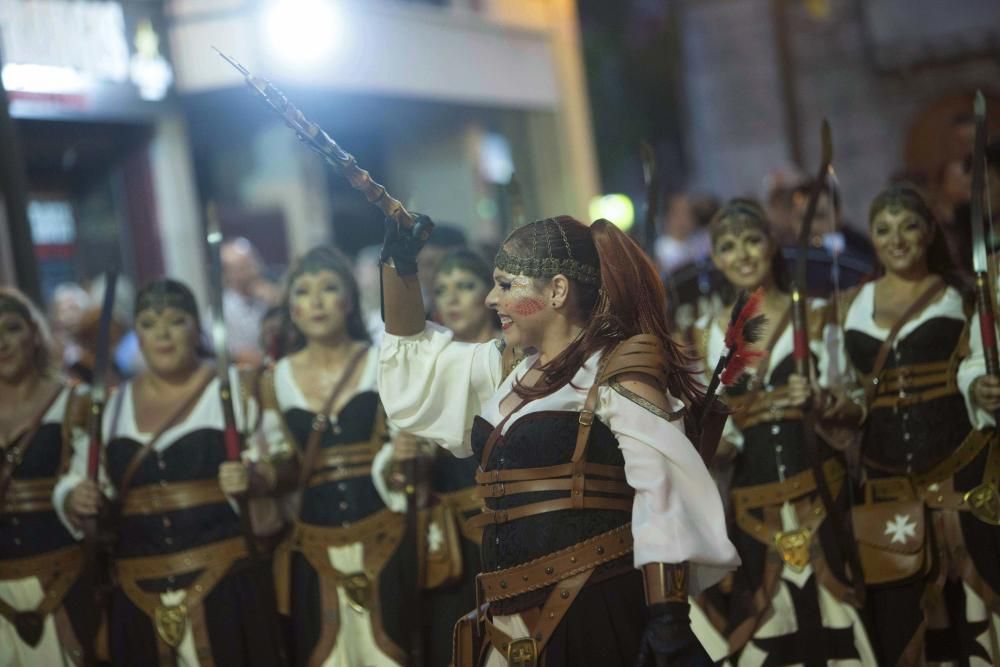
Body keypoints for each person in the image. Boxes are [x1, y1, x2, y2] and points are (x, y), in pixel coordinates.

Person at [378, 214, 739, 666]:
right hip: (507, 621)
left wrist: (669, 618)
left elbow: (663, 492)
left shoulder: (619, 369)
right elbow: (417, 371)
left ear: (557, 291)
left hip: (593, 611)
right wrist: (399, 267)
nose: (492, 299)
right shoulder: (512, 369)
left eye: (507, 285)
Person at [56, 278, 284, 666]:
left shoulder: (236, 389)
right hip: (137, 596)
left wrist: (256, 475)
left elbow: (279, 456)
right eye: (147, 323)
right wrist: (74, 497)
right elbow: (80, 479)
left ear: (197, 327)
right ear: (137, 335)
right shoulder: (110, 409)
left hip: (227, 587)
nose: (162, 333)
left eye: (176, 320)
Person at [691, 200, 875, 665]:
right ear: (715, 258)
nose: (743, 255)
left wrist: (825, 402)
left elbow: (855, 404)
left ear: (772, 244)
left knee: (845, 631)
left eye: (752, 240)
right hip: (752, 509)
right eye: (727, 247)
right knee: (767, 641)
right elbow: (715, 437)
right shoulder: (703, 335)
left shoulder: (814, 315)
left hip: (822, 495)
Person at [826, 185, 997, 664]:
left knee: (977, 610)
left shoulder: (963, 296)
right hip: (886, 485)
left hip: (962, 470)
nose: (896, 239)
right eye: (883, 229)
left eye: (908, 226)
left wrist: (982, 387)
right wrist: (834, 404)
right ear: (873, 240)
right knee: (901, 614)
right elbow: (852, 393)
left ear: (928, 233)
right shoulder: (847, 307)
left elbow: (981, 361)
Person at [257, 246, 408, 666]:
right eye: (304, 292)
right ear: (292, 309)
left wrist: (406, 456)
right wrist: (259, 475)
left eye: (329, 289)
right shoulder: (274, 380)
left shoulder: (382, 361)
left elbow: (406, 443)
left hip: (388, 535)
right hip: (313, 546)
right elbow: (280, 463)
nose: (317, 301)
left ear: (349, 300)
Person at [0, 288, 97, 664]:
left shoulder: (75, 404)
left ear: (35, 334)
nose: (2, 344)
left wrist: (78, 498)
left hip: (64, 584)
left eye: (11, 329)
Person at [221, 237, 280, 367]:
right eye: (243, 267)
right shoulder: (224, 311)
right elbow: (240, 355)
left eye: (253, 263)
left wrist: (278, 304)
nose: (253, 271)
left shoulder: (267, 297)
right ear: (228, 274)